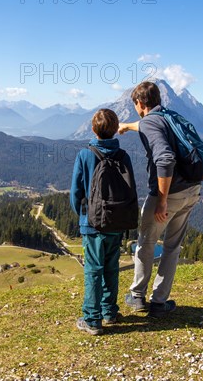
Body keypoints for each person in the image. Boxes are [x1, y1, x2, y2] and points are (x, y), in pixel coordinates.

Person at [119, 81, 201, 317]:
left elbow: (165, 159)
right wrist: (129, 126)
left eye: (135, 104)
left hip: (169, 194)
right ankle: (159, 302)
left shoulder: (150, 122)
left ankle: (137, 296)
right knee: (172, 247)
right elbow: (148, 124)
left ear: (140, 103)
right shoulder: (168, 115)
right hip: (192, 191)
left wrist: (162, 201)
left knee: (145, 242)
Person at [70, 108, 135, 335]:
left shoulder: (85, 154)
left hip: (92, 223)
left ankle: (92, 319)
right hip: (116, 222)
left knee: (93, 270)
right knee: (111, 268)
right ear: (116, 129)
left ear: (93, 129)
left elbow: (75, 193)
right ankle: (109, 312)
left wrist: (82, 217)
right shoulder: (123, 156)